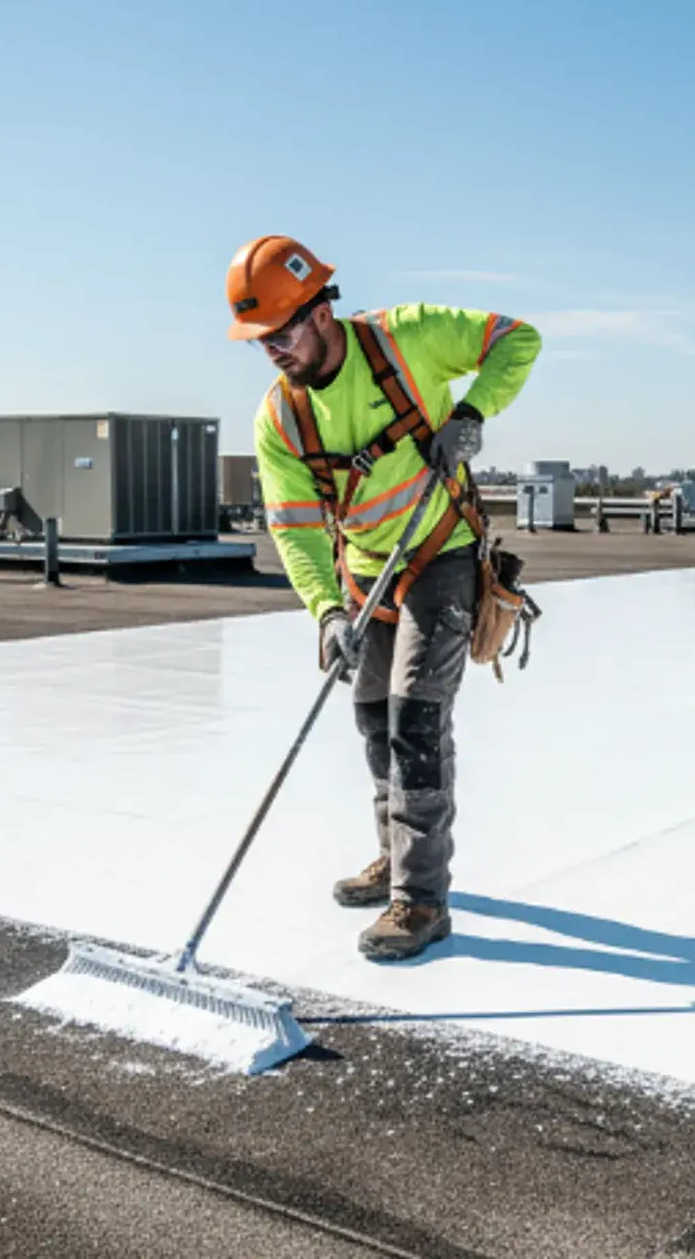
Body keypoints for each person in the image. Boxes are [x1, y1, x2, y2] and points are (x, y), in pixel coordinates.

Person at [229, 235, 540, 960]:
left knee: (416, 723)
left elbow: (517, 339)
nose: (273, 350)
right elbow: (297, 533)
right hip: (364, 569)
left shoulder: (410, 339)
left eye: (282, 331)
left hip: (441, 551)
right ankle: (395, 858)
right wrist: (328, 611)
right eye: (259, 340)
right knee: (372, 717)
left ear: (321, 310)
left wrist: (471, 414)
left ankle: (423, 901)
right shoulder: (279, 421)